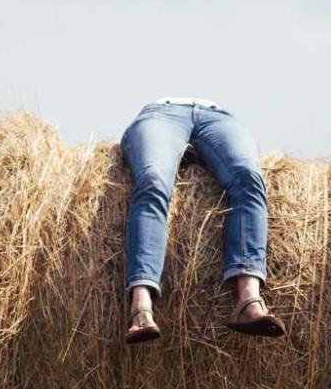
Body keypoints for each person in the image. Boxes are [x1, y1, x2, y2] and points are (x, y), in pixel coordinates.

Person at [120, 97, 286, 344]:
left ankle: (249, 300)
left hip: (218, 116)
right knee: (153, 180)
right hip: (160, 113)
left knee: (249, 177)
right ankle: (141, 305)